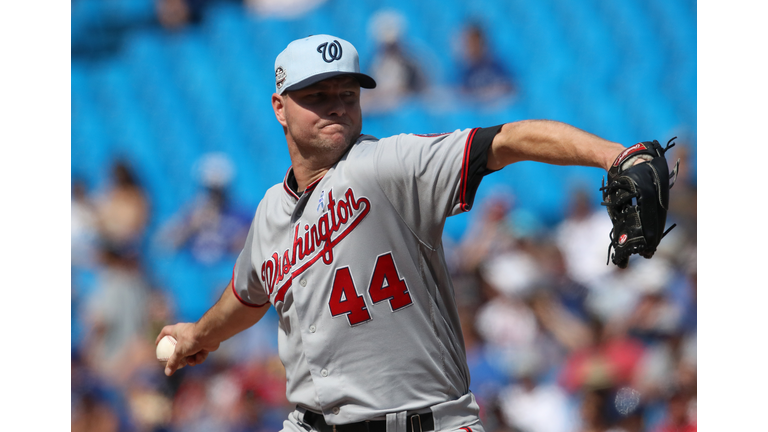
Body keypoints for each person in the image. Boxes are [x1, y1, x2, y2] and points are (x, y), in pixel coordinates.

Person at [157, 34, 650, 432]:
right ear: (279, 107)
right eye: (317, 96)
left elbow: (508, 140)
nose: (336, 107)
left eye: (346, 95)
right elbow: (248, 295)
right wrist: (197, 335)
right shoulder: (269, 213)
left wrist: (614, 155)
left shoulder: (387, 164)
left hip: (426, 421)